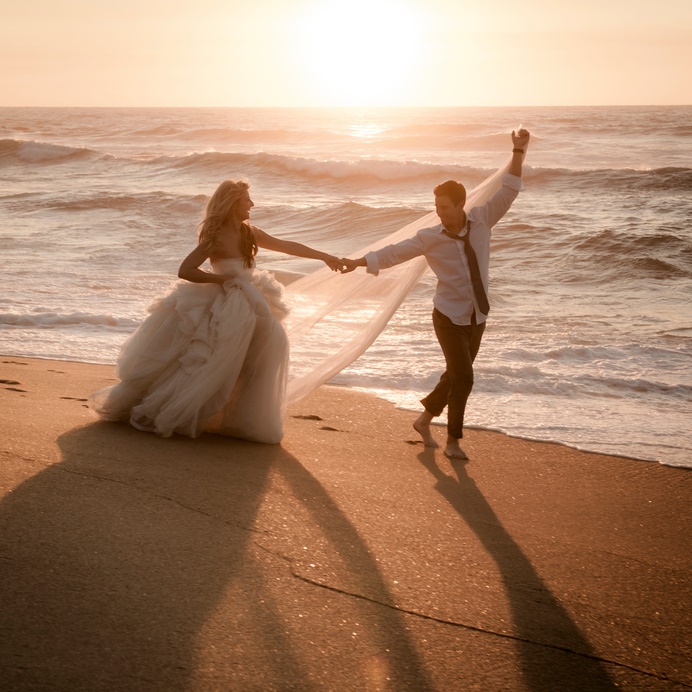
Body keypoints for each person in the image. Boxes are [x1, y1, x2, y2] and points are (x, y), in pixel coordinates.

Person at [89, 179, 343, 444]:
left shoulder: (250, 233)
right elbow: (185, 270)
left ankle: (239, 418)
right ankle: (182, 410)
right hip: (224, 302)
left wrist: (325, 257)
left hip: (251, 298)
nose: (252, 204)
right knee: (210, 359)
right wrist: (220, 281)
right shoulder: (217, 237)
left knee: (270, 346)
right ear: (233, 203)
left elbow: (288, 246)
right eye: (247, 200)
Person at [341, 129, 530, 459]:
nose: (439, 212)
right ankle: (453, 442)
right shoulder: (430, 237)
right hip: (447, 317)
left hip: (477, 316)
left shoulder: (483, 220)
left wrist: (518, 151)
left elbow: (509, 190)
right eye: (436, 206)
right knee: (465, 377)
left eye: (444, 207)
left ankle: (424, 419)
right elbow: (394, 253)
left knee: (454, 375)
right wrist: (359, 262)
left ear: (461, 204)